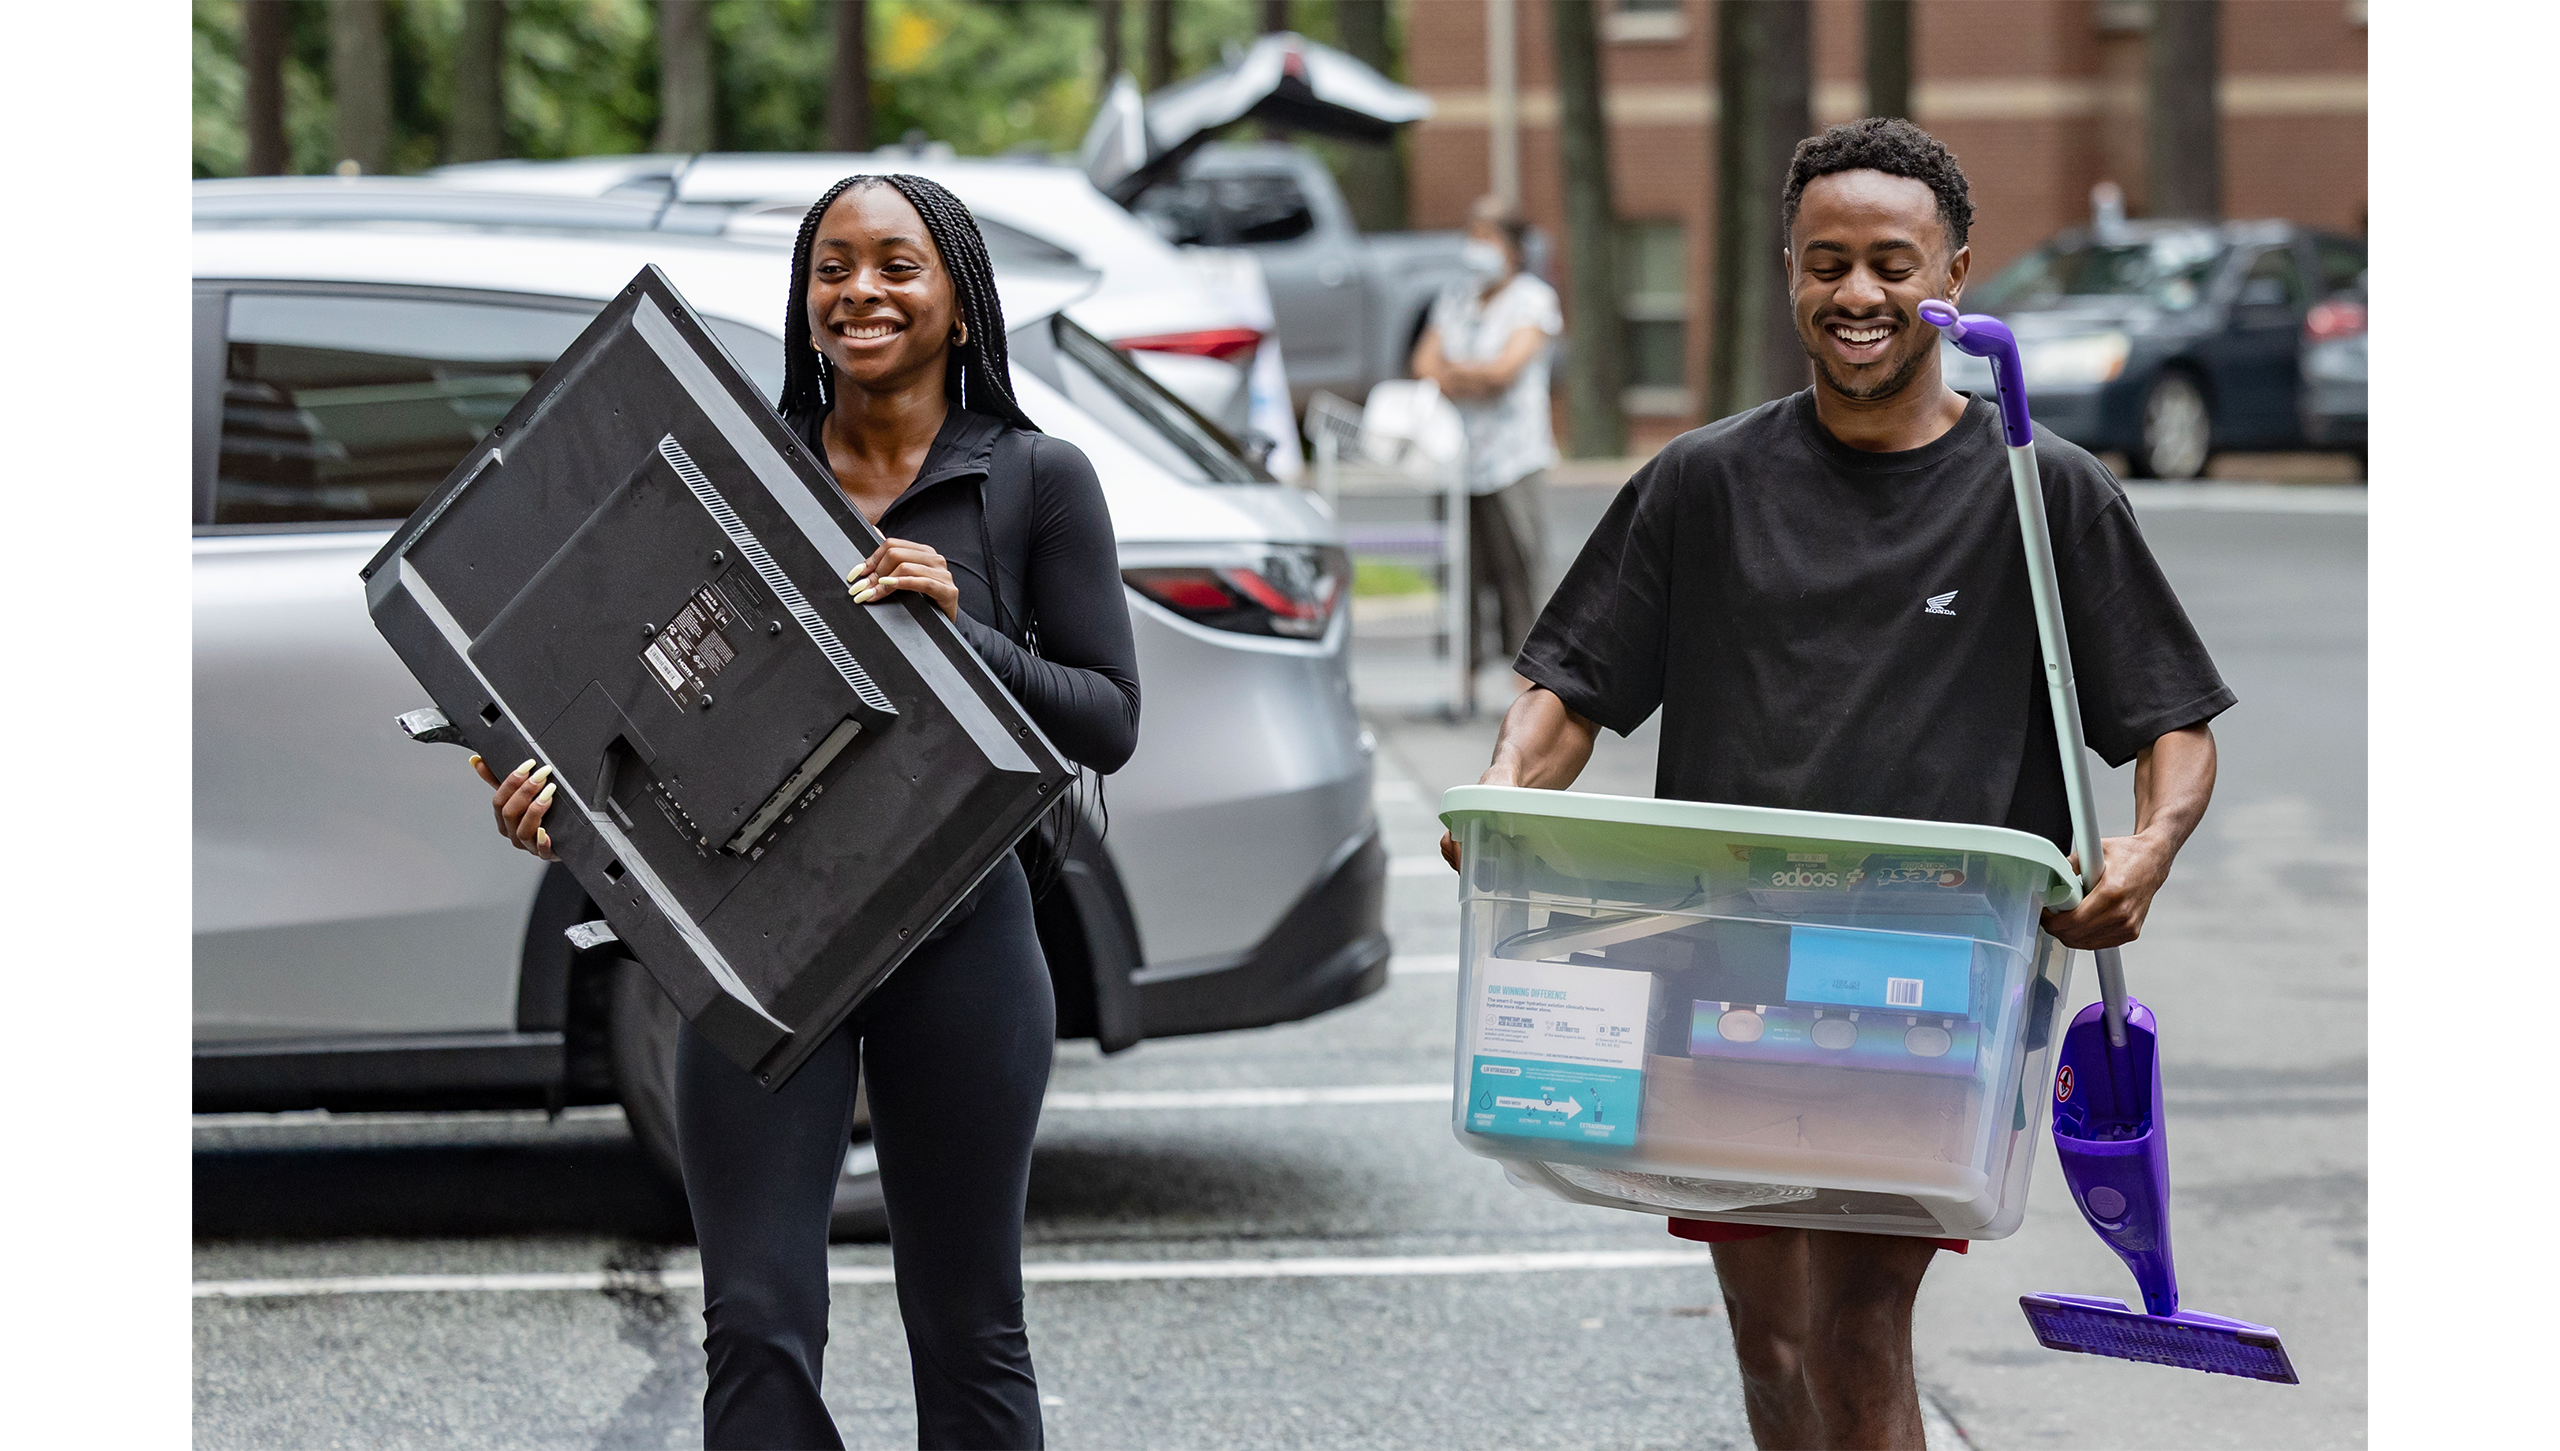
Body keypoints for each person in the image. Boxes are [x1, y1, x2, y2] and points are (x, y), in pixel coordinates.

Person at [1437, 118, 2233, 1450]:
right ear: (1792, 275)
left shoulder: (2045, 493)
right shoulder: (1703, 482)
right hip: (1723, 966)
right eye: (1826, 264)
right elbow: (1569, 686)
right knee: (1774, 1332)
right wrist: (1510, 786)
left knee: (1859, 1326)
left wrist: (2148, 846)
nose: (1856, 294)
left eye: (1890, 262)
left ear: (1956, 274)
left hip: (1934, 981)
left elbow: (2172, 720)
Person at [477, 173, 1140, 1451]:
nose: (860, 292)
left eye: (897, 266)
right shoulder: (735, 472)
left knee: (967, 1325)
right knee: (759, 1320)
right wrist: (558, 795)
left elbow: (1106, 716)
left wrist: (968, 636)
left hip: (963, 936)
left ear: (958, 302)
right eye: (833, 268)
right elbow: (647, 694)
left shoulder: (1038, 482)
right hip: (754, 942)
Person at [1410, 195, 1564, 682]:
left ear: (1514, 248)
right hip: (1454, 459)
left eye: (1487, 237)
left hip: (1513, 459)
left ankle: (1530, 684)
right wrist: (1467, 375)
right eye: (1472, 236)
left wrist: (1455, 374)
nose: (1476, 248)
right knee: (1463, 569)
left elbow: (1503, 372)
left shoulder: (1533, 300)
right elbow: (1422, 365)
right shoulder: (1455, 296)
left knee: (1520, 565)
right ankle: (1465, 676)